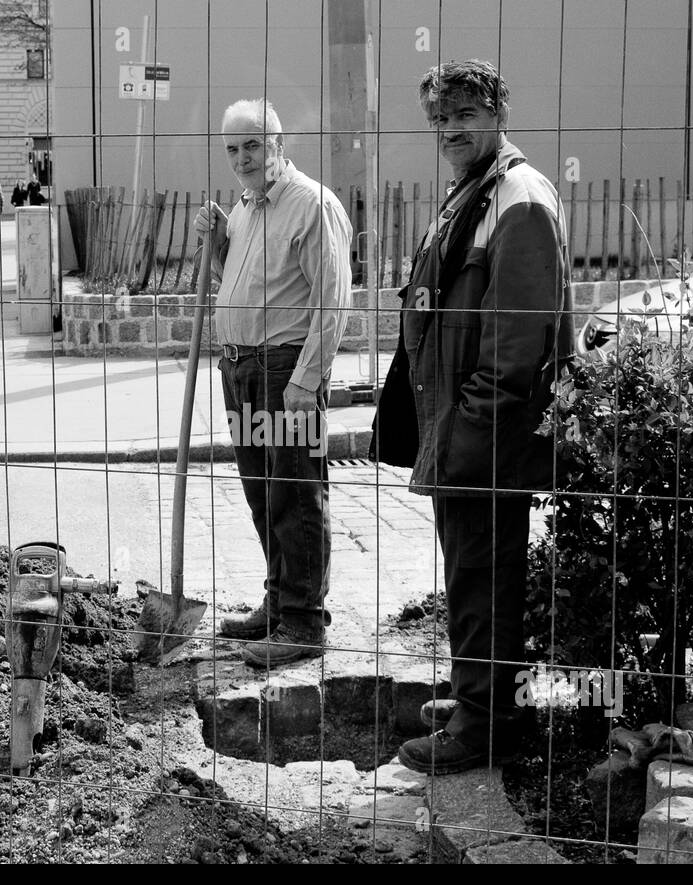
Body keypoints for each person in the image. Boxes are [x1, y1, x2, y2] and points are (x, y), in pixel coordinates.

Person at [371, 59, 574, 774]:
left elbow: (517, 350)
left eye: (464, 113)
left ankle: (484, 724)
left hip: (487, 438)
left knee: (485, 579)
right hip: (458, 431)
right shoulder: (475, 192)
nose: (450, 129)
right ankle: (476, 696)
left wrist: (466, 428)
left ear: (498, 112)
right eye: (440, 118)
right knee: (468, 577)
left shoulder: (517, 197)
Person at [193, 98, 352, 667]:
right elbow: (240, 280)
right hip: (240, 368)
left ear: (278, 144)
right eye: (233, 149)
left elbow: (333, 299)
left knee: (294, 490)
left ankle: (305, 623)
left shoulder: (310, 204)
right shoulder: (242, 209)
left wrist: (308, 379)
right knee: (262, 490)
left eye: (253, 145)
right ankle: (279, 603)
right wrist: (216, 246)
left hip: (284, 369)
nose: (242, 158)